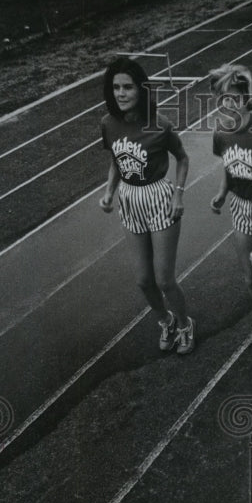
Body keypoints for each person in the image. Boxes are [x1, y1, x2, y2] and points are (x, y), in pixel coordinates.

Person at [99, 56, 195, 354]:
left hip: (158, 198)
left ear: (141, 90)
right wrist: (109, 190)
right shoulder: (108, 123)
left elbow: (182, 158)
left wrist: (179, 194)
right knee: (143, 280)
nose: (121, 93)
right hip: (130, 199)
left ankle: (184, 323)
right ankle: (164, 320)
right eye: (116, 87)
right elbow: (116, 160)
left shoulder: (159, 124)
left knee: (164, 279)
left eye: (128, 87)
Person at [209, 64, 252, 346]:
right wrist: (223, 193)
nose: (229, 104)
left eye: (234, 97)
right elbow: (228, 165)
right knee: (250, 280)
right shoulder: (221, 134)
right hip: (240, 206)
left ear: (247, 97)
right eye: (224, 98)